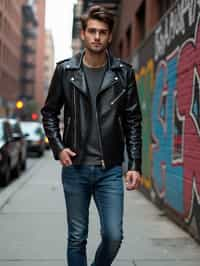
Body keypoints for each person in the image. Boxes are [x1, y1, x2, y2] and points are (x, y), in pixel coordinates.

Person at [41, 5, 142, 266]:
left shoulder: (123, 73)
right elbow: (49, 112)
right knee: (77, 237)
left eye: (103, 32)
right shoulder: (65, 71)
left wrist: (135, 164)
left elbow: (133, 120)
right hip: (75, 167)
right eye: (92, 31)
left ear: (110, 37)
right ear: (84, 34)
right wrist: (58, 147)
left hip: (109, 169)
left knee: (113, 235)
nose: (97, 37)